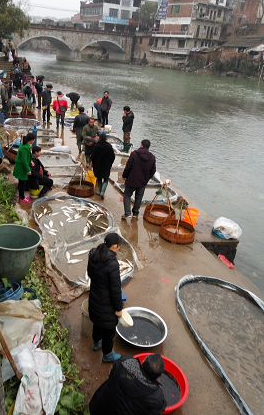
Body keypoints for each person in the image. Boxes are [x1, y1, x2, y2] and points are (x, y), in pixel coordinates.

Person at [89, 354, 166, 415]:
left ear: (142, 363)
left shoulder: (125, 362)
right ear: (160, 376)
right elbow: (160, 409)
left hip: (97, 408)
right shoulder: (156, 397)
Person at [88, 232, 123, 363]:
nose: (119, 248)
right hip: (106, 302)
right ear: (114, 246)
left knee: (97, 322)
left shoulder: (93, 254)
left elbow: (89, 273)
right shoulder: (113, 264)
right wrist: (118, 309)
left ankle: (96, 343)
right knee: (109, 329)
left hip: (95, 296)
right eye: (119, 246)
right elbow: (115, 290)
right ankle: (107, 354)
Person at [122, 139, 156, 219]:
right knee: (139, 197)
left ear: (141, 145)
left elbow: (128, 166)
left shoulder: (134, 154)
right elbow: (153, 170)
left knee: (127, 195)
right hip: (142, 182)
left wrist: (124, 175)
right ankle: (135, 213)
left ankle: (127, 213)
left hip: (131, 180)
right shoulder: (152, 157)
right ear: (149, 147)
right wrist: (147, 178)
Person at [13, 132, 36, 204]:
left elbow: (26, 158)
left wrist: (31, 161)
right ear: (31, 140)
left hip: (22, 167)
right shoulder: (24, 148)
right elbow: (23, 160)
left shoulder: (26, 145)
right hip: (21, 168)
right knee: (22, 183)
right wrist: (28, 170)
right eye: (34, 139)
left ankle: (21, 196)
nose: (34, 140)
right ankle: (22, 198)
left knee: (22, 183)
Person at [91, 132, 115, 199]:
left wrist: (92, 163)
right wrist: (110, 163)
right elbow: (113, 156)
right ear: (106, 138)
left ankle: (99, 191)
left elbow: (93, 156)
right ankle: (102, 192)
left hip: (97, 165)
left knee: (99, 178)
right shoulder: (109, 146)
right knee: (106, 178)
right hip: (106, 165)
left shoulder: (96, 146)